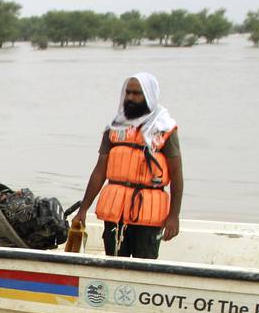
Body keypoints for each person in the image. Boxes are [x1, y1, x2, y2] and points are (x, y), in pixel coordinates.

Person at [72, 72, 183, 259]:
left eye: (137, 93)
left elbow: (177, 176)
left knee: (144, 266)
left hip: (149, 210)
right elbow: (100, 171)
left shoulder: (164, 128)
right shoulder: (114, 128)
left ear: (149, 96)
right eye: (128, 93)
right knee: (114, 262)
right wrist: (83, 209)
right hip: (115, 210)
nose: (130, 97)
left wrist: (174, 216)